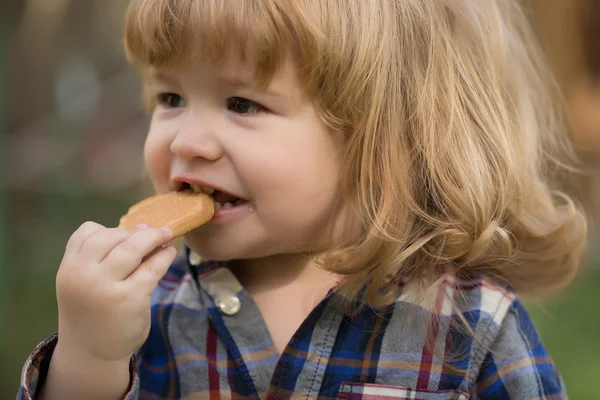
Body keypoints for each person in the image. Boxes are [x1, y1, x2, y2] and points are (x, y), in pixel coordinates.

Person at [17, 0, 588, 398]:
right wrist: (89, 359)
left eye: (242, 104)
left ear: (385, 137)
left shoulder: (467, 326)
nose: (185, 140)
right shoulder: (149, 311)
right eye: (171, 96)